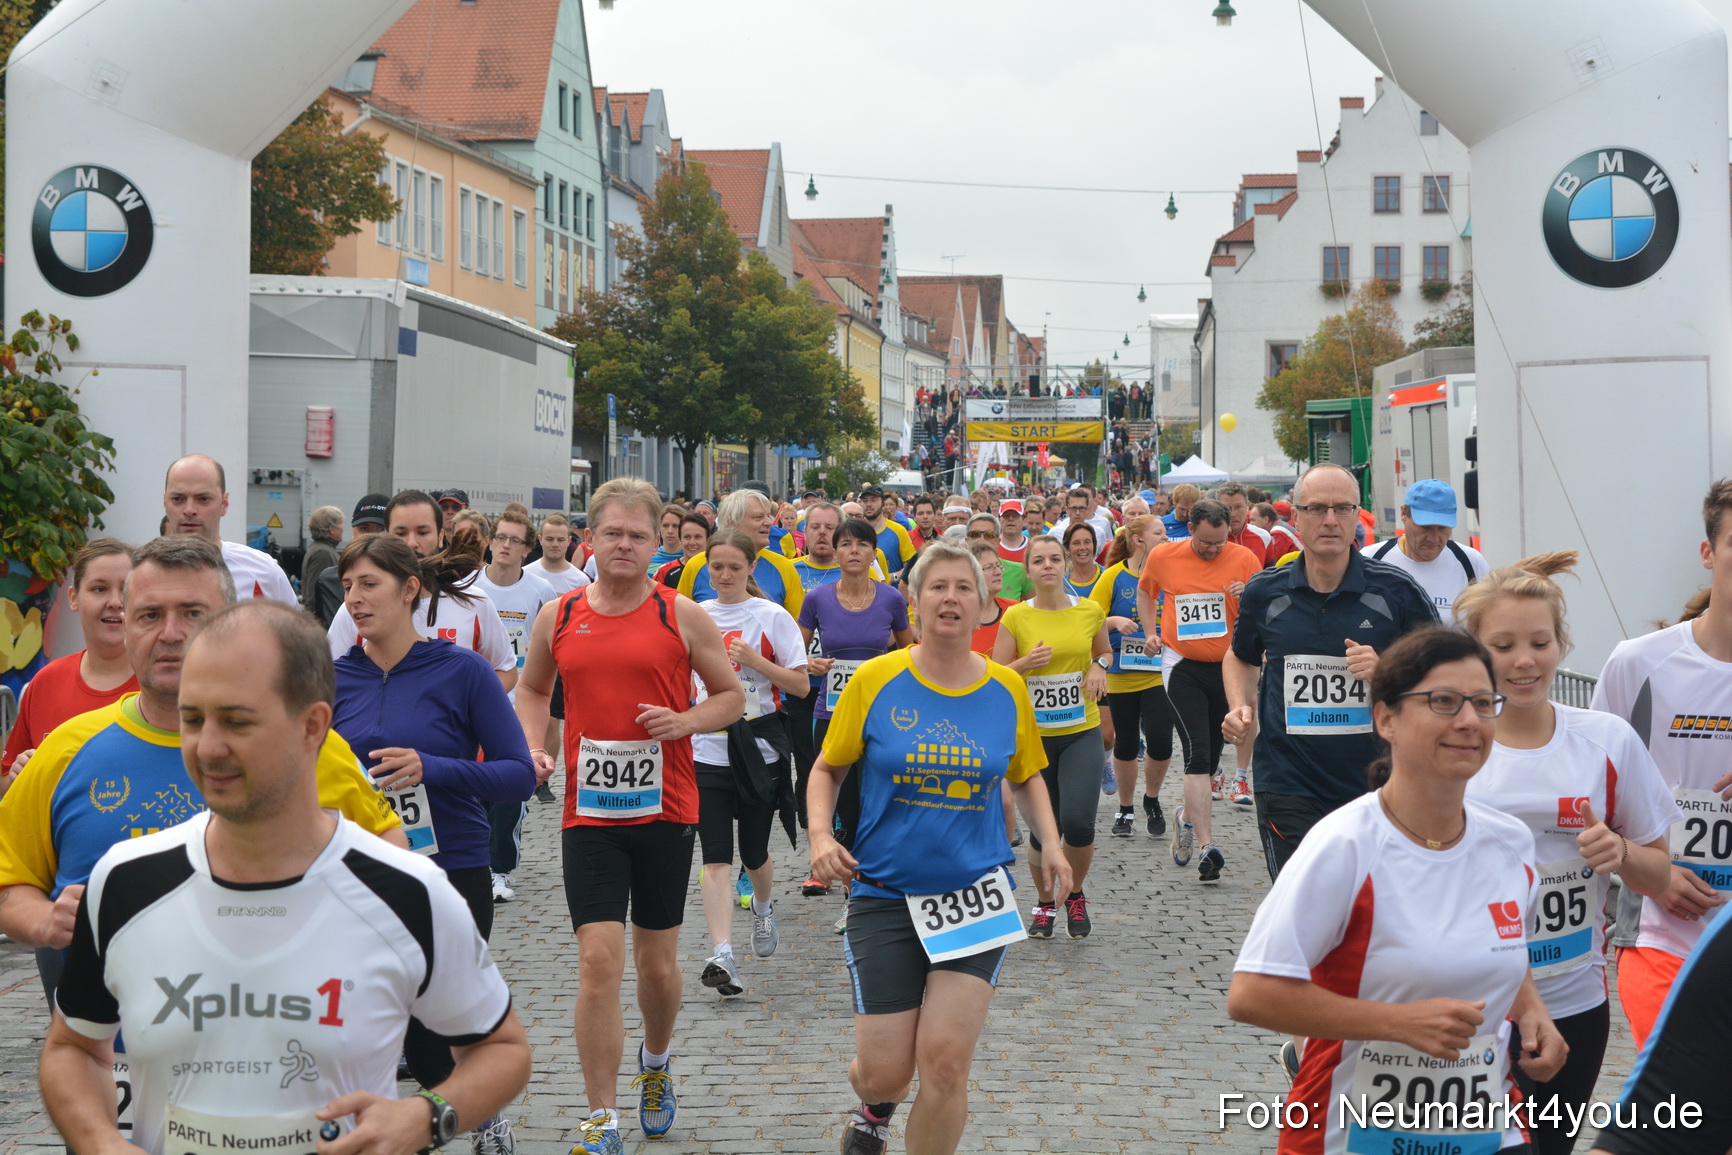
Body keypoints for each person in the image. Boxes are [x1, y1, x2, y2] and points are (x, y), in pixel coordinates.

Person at [38, 599, 531, 1155]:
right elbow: (73, 1049)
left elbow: (502, 1049)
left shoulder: (408, 891)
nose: (208, 747)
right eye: (193, 719)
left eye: (237, 720)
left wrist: (426, 1115)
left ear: (312, 726)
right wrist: (101, 1143)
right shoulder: (126, 881)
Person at [0, 537, 403, 1028]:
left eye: (193, 614)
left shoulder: (303, 744)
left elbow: (391, 851)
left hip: (273, 1060)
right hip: (109, 1063)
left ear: (229, 626)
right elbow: (11, 880)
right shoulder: (65, 751)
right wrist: (45, 922)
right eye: (150, 615)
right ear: (125, 626)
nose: (171, 634)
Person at [1229, 626, 1565, 1155]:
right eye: (1444, 702)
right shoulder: (1344, 846)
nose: (1469, 721)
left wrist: (1533, 1011)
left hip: (1489, 1134)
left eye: (1482, 702)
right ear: (1385, 718)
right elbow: (1252, 994)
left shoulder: (1511, 843)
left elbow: (1501, 947)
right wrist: (1398, 1023)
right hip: (1352, 1136)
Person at [807, 541, 1067, 1155]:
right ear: (916, 603)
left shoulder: (1006, 688)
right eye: (937, 587)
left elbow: (1027, 774)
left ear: (984, 606)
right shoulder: (876, 678)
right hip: (885, 892)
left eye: (963, 587)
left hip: (974, 893)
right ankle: (874, 1103)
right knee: (887, 1073)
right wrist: (820, 835)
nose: (950, 597)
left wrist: (1050, 843)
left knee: (946, 1064)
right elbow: (827, 769)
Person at [512, 478, 744, 1154]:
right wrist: (532, 746)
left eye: (636, 535)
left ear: (656, 542)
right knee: (596, 961)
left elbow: (729, 697)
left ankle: (657, 1059)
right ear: (590, 539)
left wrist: (685, 720)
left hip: (666, 808)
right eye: (611, 532)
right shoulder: (558, 615)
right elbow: (532, 688)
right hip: (589, 813)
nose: (623, 544)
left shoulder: (682, 615)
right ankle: (598, 1119)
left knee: (658, 968)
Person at [1455, 552, 1679, 1155]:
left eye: (1540, 641)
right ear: (1476, 652)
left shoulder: (1606, 740)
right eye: (1504, 645)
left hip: (1574, 1003)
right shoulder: (1455, 740)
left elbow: (1660, 874)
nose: (1525, 660)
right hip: (1468, 1006)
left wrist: (1621, 851)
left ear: (1561, 645)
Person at [331, 532, 537, 1152]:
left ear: (410, 590)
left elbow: (517, 775)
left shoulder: (462, 670)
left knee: (436, 1020)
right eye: (347, 589)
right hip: (355, 875)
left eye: (369, 585)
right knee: (376, 1023)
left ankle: (476, 1108)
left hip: (451, 865)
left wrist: (434, 766)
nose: (356, 600)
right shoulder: (330, 678)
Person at [1223, 463, 1438, 879]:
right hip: (1287, 780)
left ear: (1358, 516)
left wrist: (1386, 671)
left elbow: (1445, 676)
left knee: (1370, 909)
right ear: (1296, 517)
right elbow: (1240, 656)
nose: (1330, 520)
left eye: (1342, 509)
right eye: (1317, 508)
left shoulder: (1396, 591)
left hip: (1376, 780)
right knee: (1304, 908)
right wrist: (1238, 707)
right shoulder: (1265, 591)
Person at [1589, 478, 1732, 1050]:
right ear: (1708, 553)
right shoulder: (1638, 664)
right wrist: (1649, 871)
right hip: (1662, 934)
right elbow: (1589, 794)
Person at [689, 529, 809, 998]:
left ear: (751, 568)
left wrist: (757, 660)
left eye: (733, 567)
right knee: (715, 856)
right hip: (707, 752)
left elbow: (799, 687)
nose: (723, 575)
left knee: (754, 852)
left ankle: (762, 906)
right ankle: (722, 952)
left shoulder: (771, 616)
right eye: (715, 567)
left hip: (760, 750)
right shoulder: (695, 616)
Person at [1136, 500, 1260, 881]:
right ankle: (1207, 845)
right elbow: (1146, 593)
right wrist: (1150, 633)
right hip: (1182, 665)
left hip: (1227, 668)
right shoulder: (1163, 556)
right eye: (1206, 543)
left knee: (1211, 758)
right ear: (1190, 529)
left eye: (1219, 543)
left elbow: (1262, 611)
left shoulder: (1245, 559)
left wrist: (1246, 596)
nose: (1212, 550)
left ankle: (1184, 818)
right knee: (1197, 752)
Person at [994, 535, 1111, 938]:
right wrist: (1026, 663)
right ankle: (1045, 902)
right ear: (1027, 570)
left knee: (1078, 823)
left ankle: (1074, 895)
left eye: (1054, 559)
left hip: (1081, 730)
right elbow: (997, 675)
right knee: (1046, 830)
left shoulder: (1090, 611)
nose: (1048, 566)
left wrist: (1099, 665)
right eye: (1038, 560)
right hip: (1033, 738)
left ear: (1065, 565)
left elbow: (1104, 651)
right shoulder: (1016, 618)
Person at [797, 519, 913, 907]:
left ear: (873, 552)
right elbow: (797, 654)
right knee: (844, 805)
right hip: (830, 712)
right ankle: (854, 897)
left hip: (880, 716)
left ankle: (875, 884)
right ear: (835, 550)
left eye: (862, 544)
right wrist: (811, 663)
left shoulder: (891, 599)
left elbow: (909, 654)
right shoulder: (817, 599)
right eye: (845, 544)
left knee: (875, 802)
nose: (853, 551)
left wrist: (883, 669)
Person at [326, 491, 517, 691]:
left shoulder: (474, 601)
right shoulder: (359, 607)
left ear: (441, 536)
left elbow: (506, 670)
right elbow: (328, 678)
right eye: (400, 534)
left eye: (422, 532)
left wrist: (466, 709)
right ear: (385, 538)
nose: (411, 543)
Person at [474, 510, 558, 901]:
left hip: (518, 703)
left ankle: (500, 871)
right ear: (489, 542)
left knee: (508, 790)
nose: (505, 545)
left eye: (515, 540)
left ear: (527, 549)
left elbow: (552, 647)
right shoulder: (467, 587)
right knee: (471, 788)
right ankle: (471, 861)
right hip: (472, 702)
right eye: (500, 538)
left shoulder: (541, 592)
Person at [2, 539, 136, 780]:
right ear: (73, 598)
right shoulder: (46, 682)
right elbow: (4, 783)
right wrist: (17, 776)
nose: (116, 602)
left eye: (127, 590)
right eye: (99, 589)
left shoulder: (164, 686)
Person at [1093, 515, 1176, 839]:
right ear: (1139, 539)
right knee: (1125, 743)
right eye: (1159, 533)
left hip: (1159, 673)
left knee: (1160, 739)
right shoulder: (1113, 576)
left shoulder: (1171, 573)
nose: (1166, 538)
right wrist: (1113, 620)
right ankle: (1125, 808)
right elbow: (1089, 617)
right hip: (1120, 674)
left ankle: (1151, 798)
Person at [161, 453, 296, 601]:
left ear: (224, 504)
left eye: (203, 499)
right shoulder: (144, 575)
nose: (189, 509)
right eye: (177, 499)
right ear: (165, 503)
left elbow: (293, 624)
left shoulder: (263, 572)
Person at [1367, 479, 1491, 616]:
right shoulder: (1372, 558)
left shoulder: (1471, 562)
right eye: (1425, 527)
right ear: (1403, 513)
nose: (1434, 538)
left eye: (1443, 528)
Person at [677, 488, 804, 618]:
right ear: (732, 523)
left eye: (768, 515)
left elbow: (799, 630)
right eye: (758, 517)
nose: (769, 522)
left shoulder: (783, 566)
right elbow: (678, 621)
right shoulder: (696, 565)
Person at [311, 493, 390, 627]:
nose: (372, 536)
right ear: (353, 533)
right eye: (365, 529)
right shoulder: (328, 580)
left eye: (381, 529)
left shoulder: (407, 581)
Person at [968, 513, 1032, 600]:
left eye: (989, 535)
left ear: (998, 541)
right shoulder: (956, 571)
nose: (981, 540)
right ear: (967, 540)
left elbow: (1033, 608)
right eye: (975, 534)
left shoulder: (1019, 571)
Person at [1215, 482, 1271, 568]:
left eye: (1238, 507)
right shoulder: (1209, 540)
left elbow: (1270, 576)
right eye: (1227, 508)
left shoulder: (1263, 536)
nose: (1233, 514)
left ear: (1247, 506)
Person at [300, 505, 344, 611]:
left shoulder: (322, 549)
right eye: (340, 523)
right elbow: (314, 594)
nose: (343, 528)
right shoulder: (323, 553)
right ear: (331, 529)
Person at [1061, 522, 1104, 598]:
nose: (1082, 547)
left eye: (1087, 542)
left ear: (1094, 545)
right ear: (1067, 548)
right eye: (1076, 543)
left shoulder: (1107, 576)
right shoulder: (1060, 581)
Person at [651, 505, 687, 572]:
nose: (670, 531)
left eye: (675, 526)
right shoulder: (649, 558)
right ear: (659, 527)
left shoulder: (689, 557)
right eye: (665, 526)